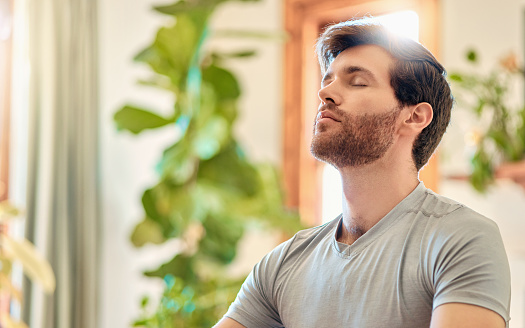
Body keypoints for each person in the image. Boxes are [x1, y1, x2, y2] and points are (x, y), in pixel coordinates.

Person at [214, 17, 511, 328]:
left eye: (356, 82)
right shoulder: (281, 266)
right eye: (326, 81)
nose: (325, 94)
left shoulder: (461, 238)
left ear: (413, 117)